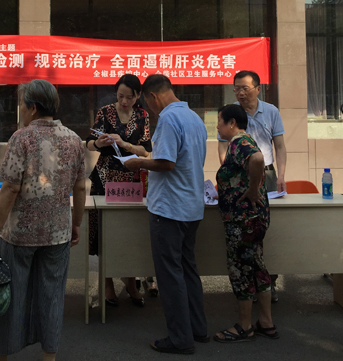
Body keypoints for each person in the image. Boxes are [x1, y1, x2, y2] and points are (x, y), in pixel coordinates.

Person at [0, 79, 87, 361]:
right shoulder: (74, 139)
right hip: (58, 233)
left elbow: (10, 188)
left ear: (33, 108)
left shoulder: (22, 138)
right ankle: (48, 357)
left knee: (11, 296)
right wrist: (76, 222)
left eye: (21, 104)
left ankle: (1, 358)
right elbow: (79, 187)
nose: (21, 109)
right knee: (52, 297)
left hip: (20, 235)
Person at [124, 75, 208, 355]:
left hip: (170, 209)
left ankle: (180, 338)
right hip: (191, 206)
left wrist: (139, 163)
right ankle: (197, 328)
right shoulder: (194, 118)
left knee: (170, 275)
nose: (148, 109)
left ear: (152, 97)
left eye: (146, 103)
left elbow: (166, 162)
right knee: (188, 269)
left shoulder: (169, 119)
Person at [217, 69, 286, 301]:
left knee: (263, 228)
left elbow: (280, 146)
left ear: (258, 89)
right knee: (248, 232)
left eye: (245, 88)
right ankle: (256, 286)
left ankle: (268, 282)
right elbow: (223, 147)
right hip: (239, 176)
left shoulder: (271, 111)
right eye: (236, 88)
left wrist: (281, 175)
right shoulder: (231, 113)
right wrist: (228, 174)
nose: (240, 93)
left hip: (267, 173)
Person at [86, 74, 152, 306]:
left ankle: (131, 281)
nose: (124, 101)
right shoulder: (105, 112)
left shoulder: (142, 115)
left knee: (128, 232)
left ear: (138, 96)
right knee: (105, 231)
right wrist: (99, 143)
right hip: (104, 179)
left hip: (130, 178)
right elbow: (89, 143)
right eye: (120, 96)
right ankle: (107, 283)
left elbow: (145, 151)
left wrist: (125, 144)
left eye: (129, 97)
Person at [213, 104, 278, 343]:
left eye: (220, 121)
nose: (217, 126)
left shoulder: (239, 142)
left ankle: (244, 326)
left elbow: (258, 159)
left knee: (241, 270)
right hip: (254, 218)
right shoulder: (245, 140)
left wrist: (252, 189)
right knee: (258, 267)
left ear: (232, 123)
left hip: (242, 220)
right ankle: (266, 322)